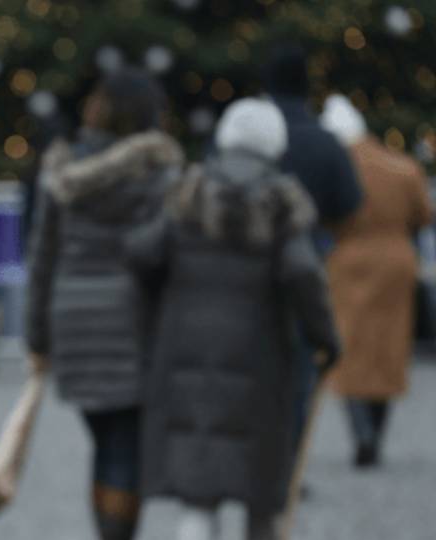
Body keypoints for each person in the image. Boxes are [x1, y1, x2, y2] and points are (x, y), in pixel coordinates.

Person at [127, 98, 339, 540]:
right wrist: (326, 338)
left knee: (197, 495)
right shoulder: (282, 200)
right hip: (260, 361)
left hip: (185, 357)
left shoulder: (189, 191)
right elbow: (303, 271)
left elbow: (143, 252)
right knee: (260, 496)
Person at [25, 68, 184, 540]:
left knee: (105, 443)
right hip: (135, 321)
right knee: (124, 448)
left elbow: (42, 258)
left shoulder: (62, 172)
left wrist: (37, 337)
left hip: (73, 320)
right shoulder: (160, 174)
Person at [261, 44, 362, 475]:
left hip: (249, 267)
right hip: (307, 267)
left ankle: (262, 463)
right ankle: (287, 466)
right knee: (299, 374)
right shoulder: (324, 142)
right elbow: (350, 204)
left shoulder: (247, 135)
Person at [319, 94, 434, 467]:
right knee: (388, 346)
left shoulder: (338, 168)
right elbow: (424, 214)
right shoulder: (401, 166)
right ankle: (376, 434)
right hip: (396, 261)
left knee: (350, 345)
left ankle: (363, 433)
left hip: (349, 259)